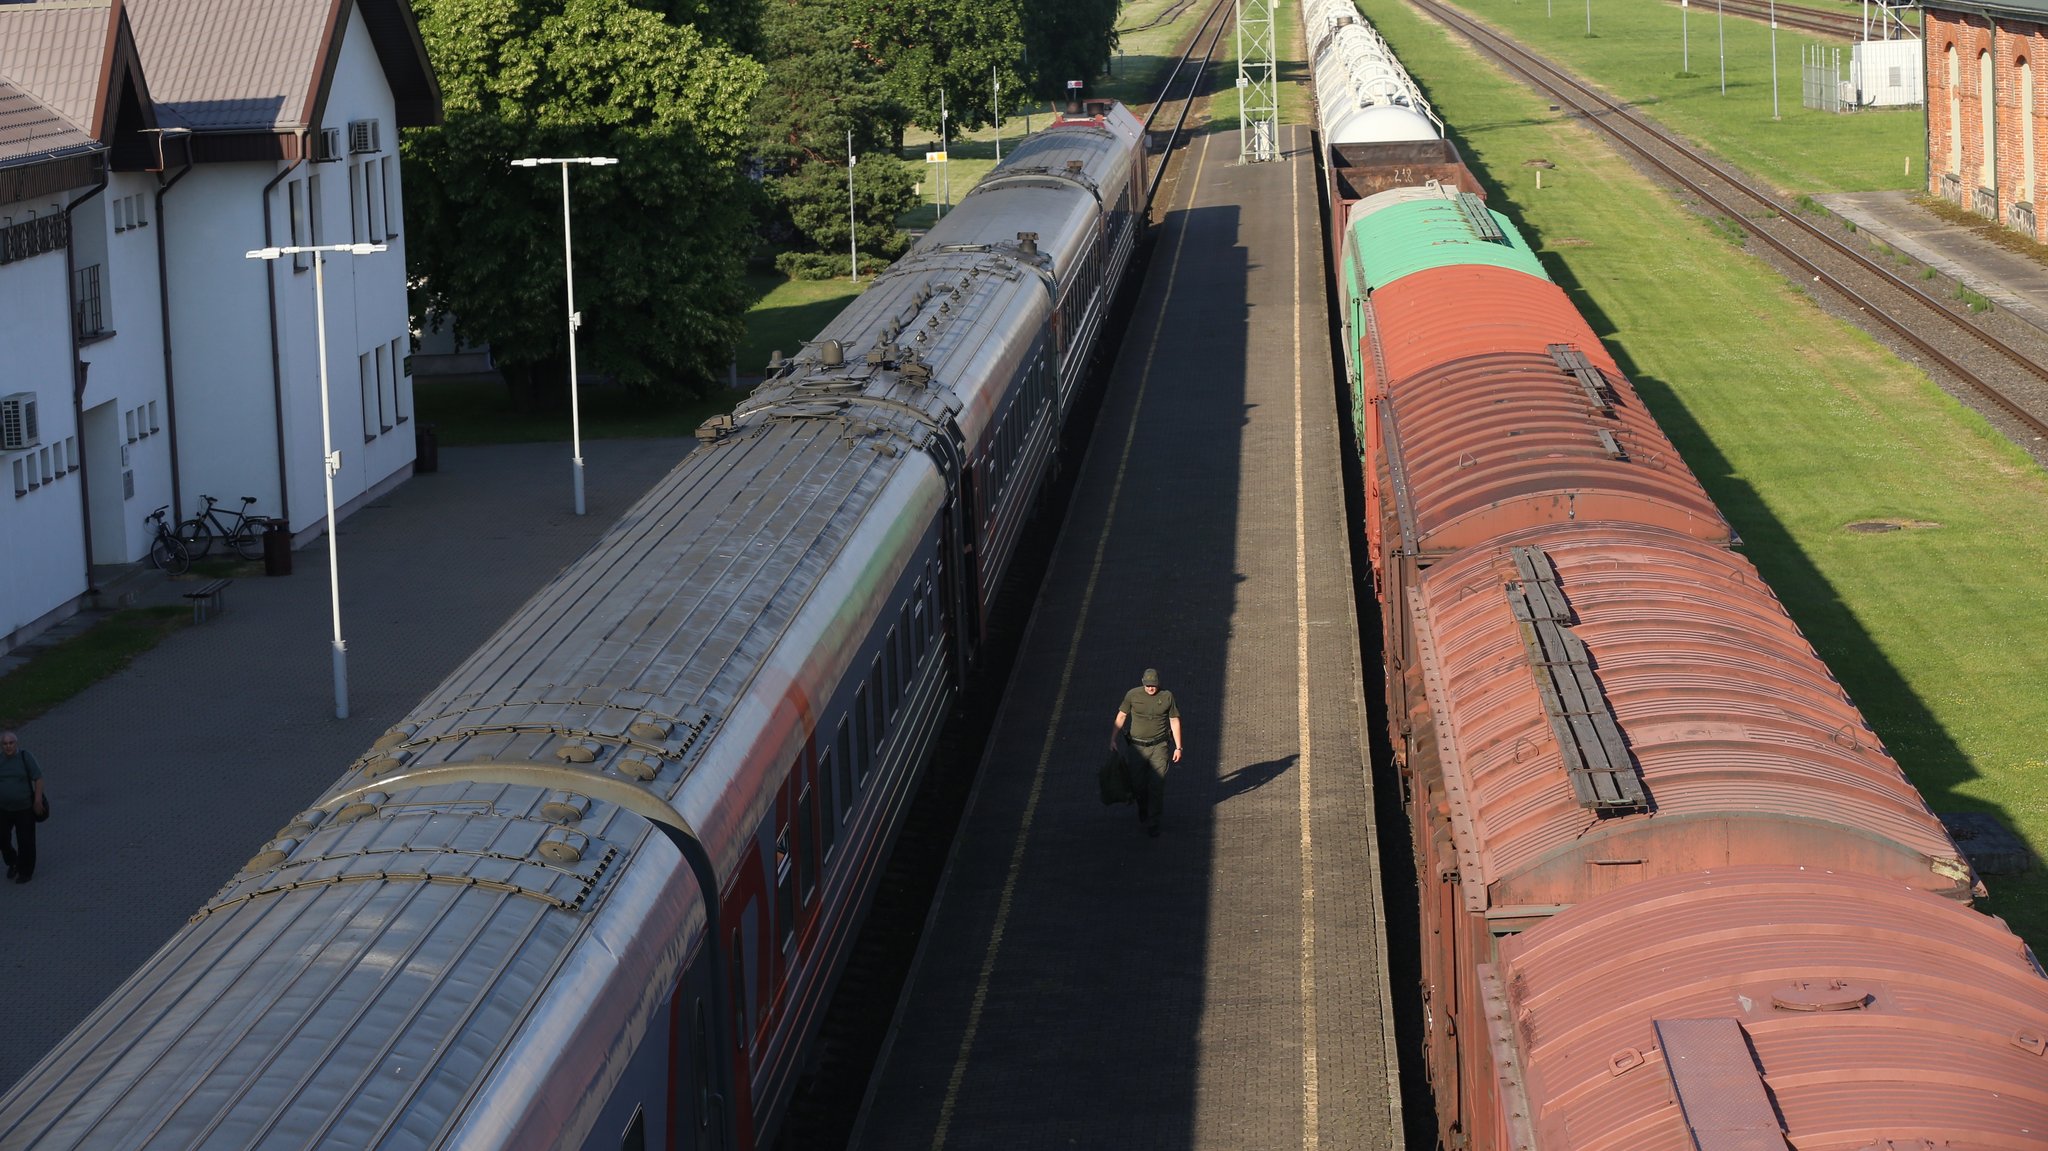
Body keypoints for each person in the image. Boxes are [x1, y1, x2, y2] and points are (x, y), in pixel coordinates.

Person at [1111, 668, 1182, 837]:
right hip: (1137, 748)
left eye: (1154, 685)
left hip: (1159, 747)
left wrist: (1178, 747)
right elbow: (1121, 716)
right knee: (1137, 784)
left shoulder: (1167, 697)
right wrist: (1113, 738)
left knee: (1157, 785)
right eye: (1148, 685)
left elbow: (1174, 721)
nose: (1151, 688)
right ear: (1143, 683)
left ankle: (1154, 821)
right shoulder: (1132, 695)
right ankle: (1142, 806)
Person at [0, 730, 45, 884]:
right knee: (3, 838)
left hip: (24, 808)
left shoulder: (25, 757)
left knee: (26, 841)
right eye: (5, 744)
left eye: (11, 743)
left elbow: (38, 778)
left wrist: (37, 800)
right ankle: (13, 862)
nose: (8, 746)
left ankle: (25, 872)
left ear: (16, 743)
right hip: (4, 809)